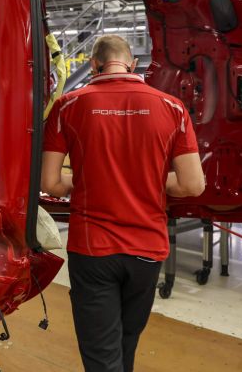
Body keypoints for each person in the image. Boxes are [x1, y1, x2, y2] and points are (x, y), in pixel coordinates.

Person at [41, 35, 205, 372]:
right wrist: (145, 179)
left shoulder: (69, 105)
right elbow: (192, 185)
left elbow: (50, 183)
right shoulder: (172, 107)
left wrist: (89, 179)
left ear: (94, 65)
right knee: (126, 343)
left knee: (102, 356)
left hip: (93, 249)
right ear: (132, 65)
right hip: (147, 250)